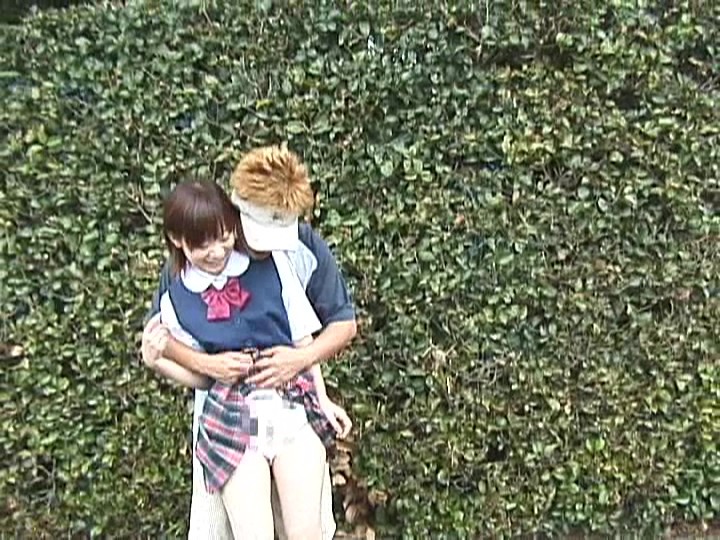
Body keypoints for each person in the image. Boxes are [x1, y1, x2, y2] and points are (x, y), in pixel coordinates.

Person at [142, 145, 357, 539]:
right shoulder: (184, 274)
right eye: (205, 243)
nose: (216, 251)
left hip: (290, 401)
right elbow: (166, 346)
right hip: (227, 413)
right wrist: (189, 362)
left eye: (222, 239)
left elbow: (334, 326)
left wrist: (312, 383)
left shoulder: (294, 249)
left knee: (307, 529)